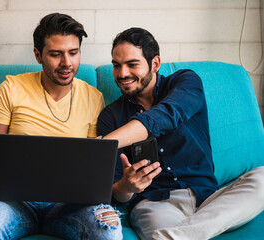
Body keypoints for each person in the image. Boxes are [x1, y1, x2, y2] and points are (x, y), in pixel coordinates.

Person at [97, 27, 264, 240]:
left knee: (262, 178)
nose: (122, 74)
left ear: (155, 63)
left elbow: (167, 114)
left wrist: (104, 144)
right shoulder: (110, 117)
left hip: (207, 200)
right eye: (116, 65)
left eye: (132, 64)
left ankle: (174, 236)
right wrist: (127, 186)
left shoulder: (185, 82)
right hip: (155, 206)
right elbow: (116, 194)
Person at [0, 13, 122, 240]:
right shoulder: (11, 88)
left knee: (108, 231)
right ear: (38, 55)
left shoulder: (93, 97)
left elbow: (92, 163)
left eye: (73, 52)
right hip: (15, 200)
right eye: (55, 54)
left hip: (70, 204)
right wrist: (23, 186)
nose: (67, 63)